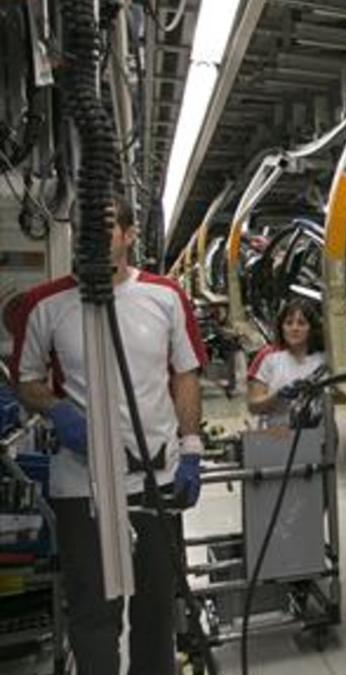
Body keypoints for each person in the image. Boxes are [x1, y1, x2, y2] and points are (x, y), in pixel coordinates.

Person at [9, 196, 206, 675]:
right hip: (83, 485)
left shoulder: (165, 296)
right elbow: (26, 380)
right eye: (84, 227)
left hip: (154, 476)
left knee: (156, 610)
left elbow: (185, 374)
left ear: (129, 234)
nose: (95, 236)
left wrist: (192, 447)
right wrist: (56, 409)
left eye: (107, 226)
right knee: (94, 613)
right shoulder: (45, 304)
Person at [246, 298, 325, 427]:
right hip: (278, 436)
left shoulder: (324, 357)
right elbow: (253, 406)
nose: (295, 328)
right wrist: (277, 396)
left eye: (301, 323)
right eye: (289, 323)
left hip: (321, 434)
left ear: (312, 328)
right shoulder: (268, 357)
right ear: (281, 327)